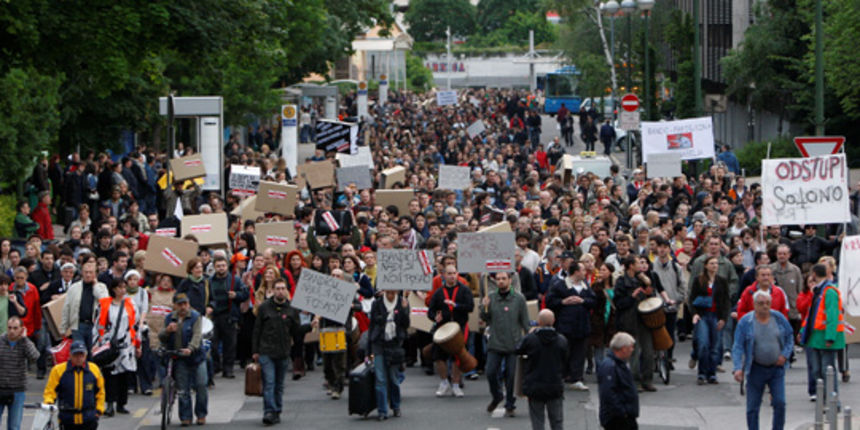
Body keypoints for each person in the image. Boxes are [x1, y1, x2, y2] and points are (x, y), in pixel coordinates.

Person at [732, 291, 794, 430]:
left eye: (767, 303)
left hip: (776, 369)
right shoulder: (746, 322)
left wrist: (785, 355)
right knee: (752, 407)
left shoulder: (778, 318)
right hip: (756, 369)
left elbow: (790, 336)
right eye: (761, 303)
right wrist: (737, 368)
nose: (765, 306)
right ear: (754, 305)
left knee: (780, 403)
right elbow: (738, 346)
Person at [252, 278, 309, 426]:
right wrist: (255, 351)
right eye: (277, 288)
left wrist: (310, 326)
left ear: (287, 291)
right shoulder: (264, 307)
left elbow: (296, 331)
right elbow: (257, 330)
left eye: (283, 288)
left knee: (279, 384)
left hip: (283, 352)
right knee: (269, 382)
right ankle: (269, 411)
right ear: (273, 291)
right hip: (266, 351)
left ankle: (277, 410)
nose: (280, 291)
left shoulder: (291, 309)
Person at [481, 271, 530, 416]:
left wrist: (529, 340)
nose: (500, 281)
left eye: (503, 278)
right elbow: (485, 318)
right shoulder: (491, 297)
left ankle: (510, 403)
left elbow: (525, 322)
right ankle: (497, 395)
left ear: (510, 280)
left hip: (513, 343)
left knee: (511, 376)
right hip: (495, 342)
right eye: (498, 279)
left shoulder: (519, 298)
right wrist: (484, 308)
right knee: (490, 372)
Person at [93, 278, 140, 416]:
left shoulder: (131, 304)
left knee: (124, 375)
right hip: (109, 343)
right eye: (119, 287)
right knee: (110, 374)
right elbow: (98, 324)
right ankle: (109, 404)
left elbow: (135, 324)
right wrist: (96, 343)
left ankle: (121, 403)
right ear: (113, 289)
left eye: (124, 287)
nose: (122, 290)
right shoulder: (104, 304)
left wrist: (137, 345)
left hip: (126, 344)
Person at [545, 261, 595, 391]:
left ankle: (576, 378)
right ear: (576, 272)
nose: (585, 272)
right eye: (582, 270)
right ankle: (561, 376)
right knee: (564, 351)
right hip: (565, 326)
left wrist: (583, 301)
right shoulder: (560, 285)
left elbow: (593, 301)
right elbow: (550, 301)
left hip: (582, 326)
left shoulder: (585, 286)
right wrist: (563, 302)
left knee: (580, 352)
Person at [800, 263, 846, 403]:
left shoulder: (829, 292)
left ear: (814, 274)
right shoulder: (818, 291)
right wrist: (803, 330)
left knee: (827, 371)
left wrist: (830, 337)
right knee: (817, 371)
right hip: (815, 337)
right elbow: (811, 315)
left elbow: (832, 316)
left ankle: (833, 402)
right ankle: (824, 400)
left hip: (824, 337)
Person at [516, 309, 567, 430]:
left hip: (535, 385)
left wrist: (529, 334)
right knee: (557, 421)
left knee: (537, 420)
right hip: (554, 385)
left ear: (539, 321)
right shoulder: (561, 340)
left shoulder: (531, 339)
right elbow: (565, 359)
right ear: (553, 321)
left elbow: (518, 349)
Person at [428, 264, 474, 398]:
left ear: (457, 274)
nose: (452, 276)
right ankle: (444, 382)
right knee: (438, 357)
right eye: (449, 274)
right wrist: (434, 317)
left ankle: (455, 384)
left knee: (457, 357)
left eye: (454, 273)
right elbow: (430, 311)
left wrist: (457, 306)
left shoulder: (464, 290)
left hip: (459, 327)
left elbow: (470, 307)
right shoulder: (438, 293)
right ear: (444, 275)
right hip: (443, 328)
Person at [43, 340, 105, 430]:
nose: (78, 358)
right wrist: (49, 404)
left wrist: (99, 410)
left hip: (89, 419)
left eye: (81, 355)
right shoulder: (58, 371)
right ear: (70, 355)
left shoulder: (94, 370)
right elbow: (50, 391)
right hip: (67, 419)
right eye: (75, 355)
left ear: (86, 355)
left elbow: (100, 392)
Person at [368, 289, 410, 421]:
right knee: (380, 379)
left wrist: (404, 310)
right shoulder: (377, 303)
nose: (391, 295)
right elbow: (372, 325)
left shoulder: (402, 302)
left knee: (393, 378)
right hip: (379, 343)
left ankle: (396, 406)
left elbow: (406, 324)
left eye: (393, 293)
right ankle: (382, 410)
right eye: (389, 293)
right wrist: (369, 350)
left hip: (394, 344)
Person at [689, 256, 730, 385]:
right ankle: (702, 373)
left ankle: (712, 374)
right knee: (703, 344)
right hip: (703, 315)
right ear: (706, 265)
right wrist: (695, 314)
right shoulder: (699, 280)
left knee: (715, 346)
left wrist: (723, 318)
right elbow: (692, 298)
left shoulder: (722, 281)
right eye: (711, 263)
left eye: (716, 263)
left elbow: (726, 301)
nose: (714, 266)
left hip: (716, 315)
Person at [207, 255, 249, 379]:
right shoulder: (209, 282)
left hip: (229, 314)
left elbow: (245, 294)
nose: (221, 268)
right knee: (213, 344)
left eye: (223, 266)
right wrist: (209, 306)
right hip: (214, 315)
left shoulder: (235, 280)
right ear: (214, 267)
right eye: (218, 266)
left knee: (230, 344)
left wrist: (236, 295)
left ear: (227, 266)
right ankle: (216, 366)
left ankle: (228, 368)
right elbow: (207, 297)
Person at [0, 317, 39, 430]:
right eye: (9, 328)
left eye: (15, 328)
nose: (12, 331)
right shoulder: (1, 341)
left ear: (21, 329)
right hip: (0, 387)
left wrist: (25, 339)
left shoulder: (24, 343)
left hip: (17, 390)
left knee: (14, 426)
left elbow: (34, 357)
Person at [61, 263, 109, 353]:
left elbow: (104, 301)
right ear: (82, 273)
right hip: (78, 325)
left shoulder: (102, 287)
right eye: (86, 272)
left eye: (91, 272)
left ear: (95, 274)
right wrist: (63, 328)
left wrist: (96, 286)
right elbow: (66, 308)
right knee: (79, 352)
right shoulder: (74, 287)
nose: (88, 275)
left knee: (93, 353)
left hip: (95, 326)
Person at [597, 332, 639, 430]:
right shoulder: (610, 366)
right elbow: (608, 393)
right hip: (617, 418)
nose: (632, 350)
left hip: (623, 416)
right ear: (623, 348)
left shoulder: (619, 364)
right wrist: (622, 412)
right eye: (631, 347)